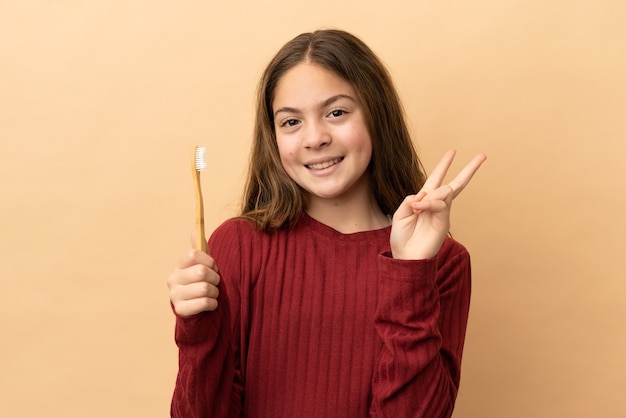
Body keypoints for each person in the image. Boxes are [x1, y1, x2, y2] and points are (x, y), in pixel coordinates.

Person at [167, 28, 486, 418]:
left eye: (336, 113)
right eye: (290, 122)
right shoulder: (237, 246)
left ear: (376, 114)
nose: (314, 138)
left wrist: (410, 275)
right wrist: (198, 331)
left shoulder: (442, 263)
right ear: (274, 136)